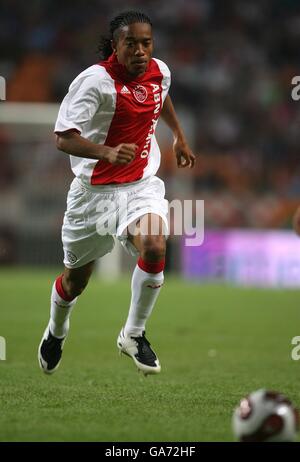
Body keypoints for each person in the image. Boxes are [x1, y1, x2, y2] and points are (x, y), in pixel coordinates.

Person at [38, 10, 195, 376]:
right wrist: (106, 152)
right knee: (75, 281)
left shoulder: (160, 71)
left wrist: (179, 137)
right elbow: (63, 138)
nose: (141, 51)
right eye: (131, 43)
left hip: (141, 185)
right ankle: (57, 329)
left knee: (156, 245)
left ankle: (133, 334)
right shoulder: (94, 82)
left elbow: (161, 97)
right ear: (115, 45)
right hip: (93, 195)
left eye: (146, 42)